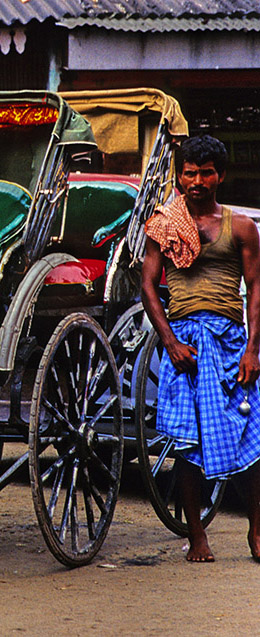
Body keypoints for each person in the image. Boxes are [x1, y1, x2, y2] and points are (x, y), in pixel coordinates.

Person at [140, 135, 260, 563]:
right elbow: (148, 286)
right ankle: (197, 536)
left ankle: (257, 530)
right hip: (185, 344)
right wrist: (169, 341)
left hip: (230, 343)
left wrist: (252, 350)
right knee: (189, 445)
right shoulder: (164, 226)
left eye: (206, 172)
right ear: (179, 176)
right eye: (189, 172)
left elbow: (255, 287)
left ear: (220, 176)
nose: (197, 180)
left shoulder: (241, 227)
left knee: (250, 437)